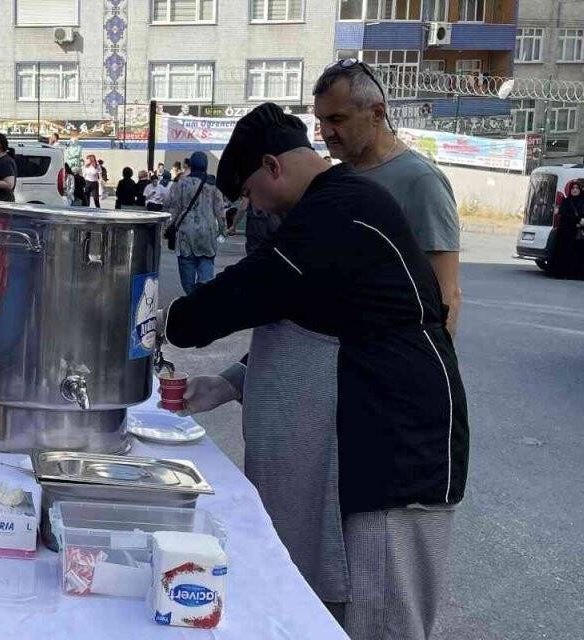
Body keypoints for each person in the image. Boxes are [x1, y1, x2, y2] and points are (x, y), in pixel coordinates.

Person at [161, 103, 468, 640]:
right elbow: (315, 321)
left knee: (382, 622)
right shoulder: (336, 209)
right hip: (365, 452)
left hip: (390, 459)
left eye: (252, 192)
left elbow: (244, 294)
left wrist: (160, 319)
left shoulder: (337, 212)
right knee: (336, 617)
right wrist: (233, 380)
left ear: (273, 166)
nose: (256, 206)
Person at [314, 60, 463, 335]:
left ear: (377, 113)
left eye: (337, 119)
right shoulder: (339, 176)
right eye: (321, 120)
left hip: (393, 363)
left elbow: (446, 295)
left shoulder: (421, 181)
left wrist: (429, 370)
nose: (325, 132)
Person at [165, 151, 229, 293]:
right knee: (206, 274)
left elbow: (173, 208)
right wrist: (223, 231)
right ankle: (202, 303)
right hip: (207, 235)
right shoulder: (213, 185)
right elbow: (220, 211)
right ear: (205, 165)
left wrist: (168, 228)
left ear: (191, 165)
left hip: (185, 235)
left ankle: (191, 301)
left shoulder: (180, 183)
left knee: (187, 276)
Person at [551, 182, 584, 277]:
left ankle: (577, 274)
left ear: (580, 190)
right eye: (573, 188)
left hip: (580, 234)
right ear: (570, 190)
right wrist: (579, 220)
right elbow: (564, 214)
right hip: (567, 232)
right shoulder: (566, 201)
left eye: (577, 188)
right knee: (565, 253)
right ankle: (563, 273)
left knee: (580, 254)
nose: (575, 190)